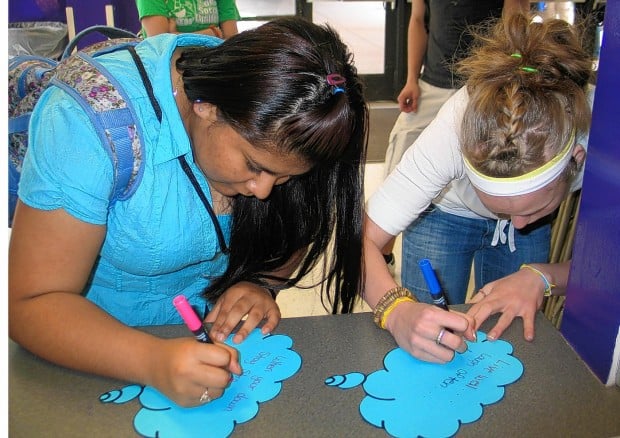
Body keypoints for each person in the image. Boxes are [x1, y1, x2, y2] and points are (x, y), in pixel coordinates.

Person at [9, 17, 368, 408]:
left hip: (202, 349)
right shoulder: (86, 122)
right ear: (206, 106)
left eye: (284, 177)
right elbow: (28, 303)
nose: (264, 192)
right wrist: (151, 360)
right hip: (90, 355)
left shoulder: (288, 114)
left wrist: (260, 283)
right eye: (254, 165)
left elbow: (298, 222)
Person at [364, 12, 593, 362]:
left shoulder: (603, 129)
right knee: (425, 330)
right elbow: (359, 241)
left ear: (578, 157)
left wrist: (544, 277)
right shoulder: (451, 130)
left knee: (512, 341)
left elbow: (610, 268)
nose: (519, 224)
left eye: (532, 209)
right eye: (501, 208)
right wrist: (395, 310)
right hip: (446, 213)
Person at [380, 0, 529, 270]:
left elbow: (516, 18)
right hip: (433, 82)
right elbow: (417, 20)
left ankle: (486, 241)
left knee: (483, 169)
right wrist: (412, 79)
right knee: (399, 153)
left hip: (484, 84)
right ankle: (382, 254)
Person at [136, 0, 240, 39]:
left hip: (214, 65)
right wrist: (210, 33)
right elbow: (159, 42)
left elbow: (231, 40)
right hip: (168, 69)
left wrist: (176, 35)